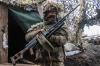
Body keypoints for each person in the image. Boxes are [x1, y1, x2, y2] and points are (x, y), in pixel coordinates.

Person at [25, 2, 68, 66]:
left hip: (57, 62)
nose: (52, 14)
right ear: (45, 14)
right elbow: (27, 37)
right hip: (41, 62)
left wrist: (50, 37)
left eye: (54, 12)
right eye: (49, 12)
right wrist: (38, 32)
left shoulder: (61, 26)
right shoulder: (38, 26)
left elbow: (64, 40)